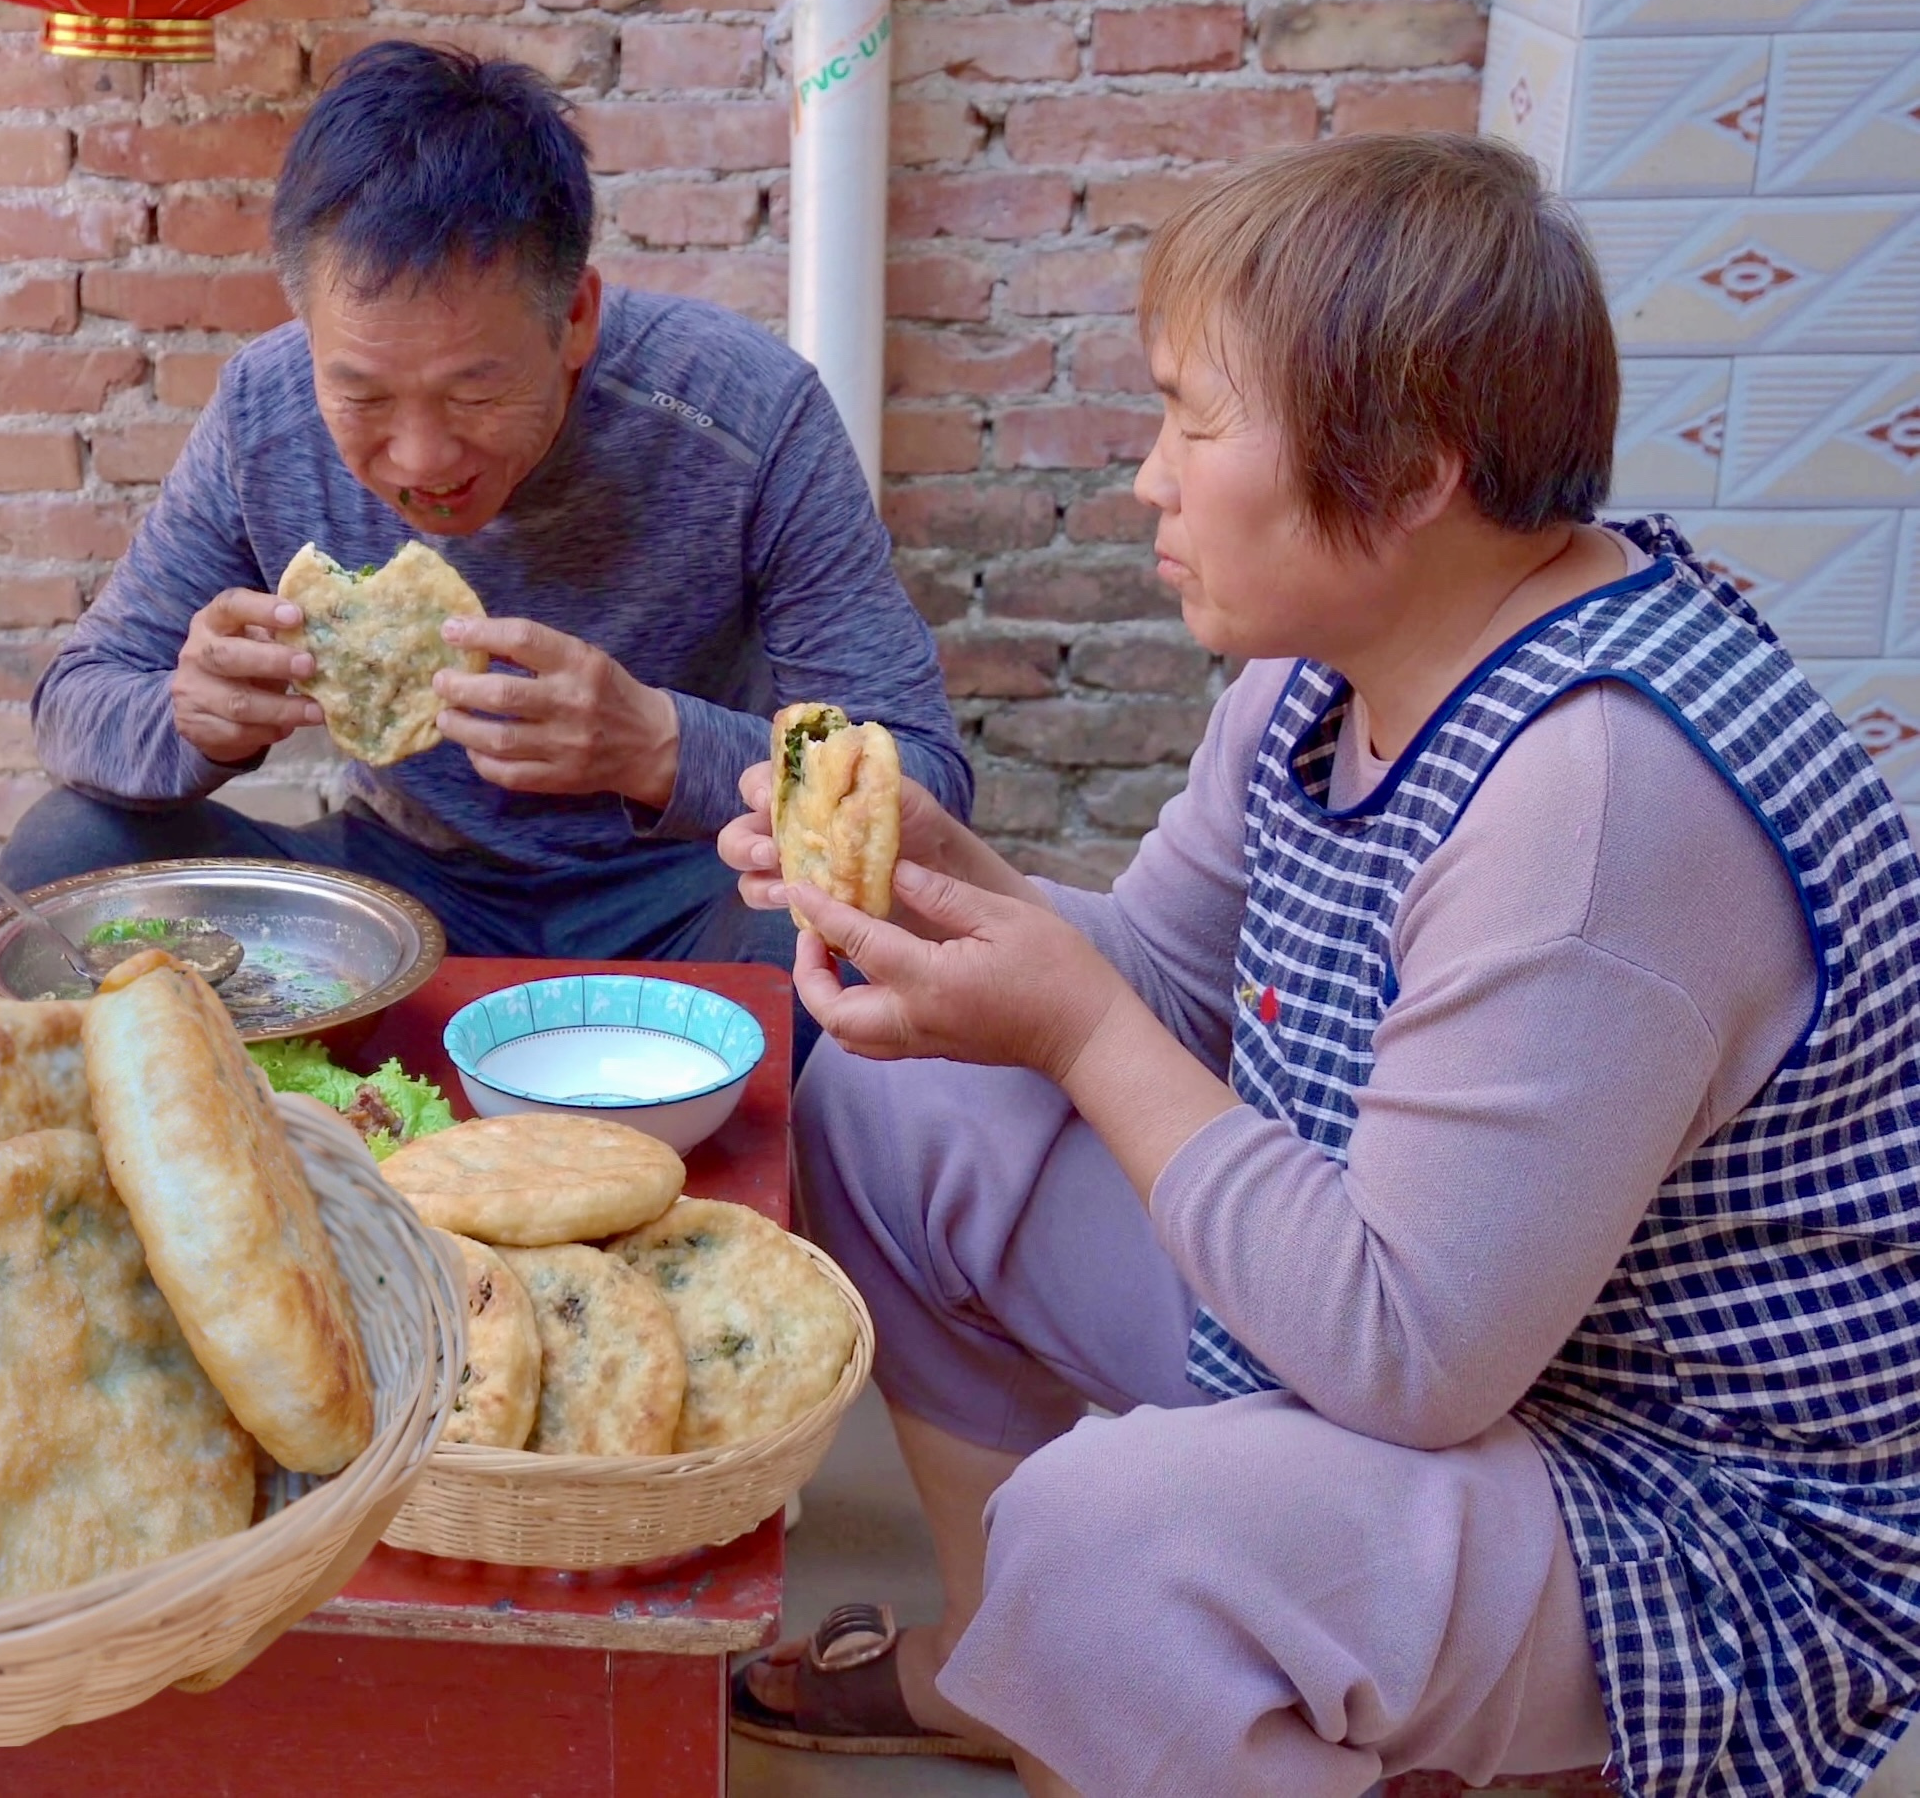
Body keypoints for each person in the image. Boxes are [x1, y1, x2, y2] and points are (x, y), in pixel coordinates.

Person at [720, 133, 1920, 1796]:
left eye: (1192, 421)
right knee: (893, 1104)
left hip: (1672, 1497)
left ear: (1411, 467)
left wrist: (1072, 1026)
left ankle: (1169, 1665)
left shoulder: (1596, 801)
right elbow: (1153, 965)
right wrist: (935, 876)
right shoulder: (1333, 667)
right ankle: (1022, 1668)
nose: (1147, 475)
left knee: (1117, 1543)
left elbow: (1409, 1353)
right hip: (1435, 1326)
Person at [12, 43, 966, 967]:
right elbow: (77, 700)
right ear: (307, 331)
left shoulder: (747, 413)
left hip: (687, 890)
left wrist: (663, 747)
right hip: (398, 882)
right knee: (68, 857)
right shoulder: (264, 412)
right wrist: (188, 719)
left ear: (577, 317)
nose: (421, 458)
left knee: (835, 923)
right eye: (366, 397)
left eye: (475, 394)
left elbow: (923, 776)